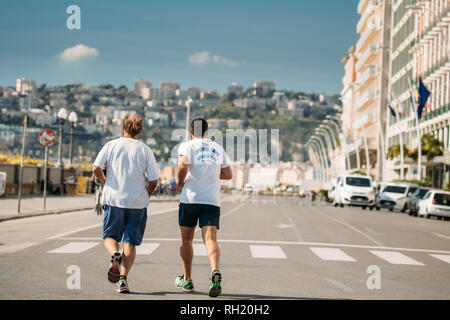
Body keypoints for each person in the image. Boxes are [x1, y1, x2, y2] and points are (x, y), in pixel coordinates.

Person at [92, 114, 159, 293]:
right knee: (130, 244)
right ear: (141, 130)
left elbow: (96, 168)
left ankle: (115, 255)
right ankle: (122, 280)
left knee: (110, 237)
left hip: (113, 200)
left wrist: (105, 182)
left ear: (123, 128)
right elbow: (154, 179)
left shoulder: (111, 145)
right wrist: (147, 193)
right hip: (137, 203)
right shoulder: (145, 150)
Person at [175, 118, 232, 297]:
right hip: (211, 200)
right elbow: (228, 174)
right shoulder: (218, 148)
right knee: (210, 239)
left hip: (190, 199)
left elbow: (182, 165)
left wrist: (179, 182)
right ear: (207, 132)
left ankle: (187, 279)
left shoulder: (187, 146)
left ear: (190, 131)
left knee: (186, 240)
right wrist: (212, 176)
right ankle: (214, 271)